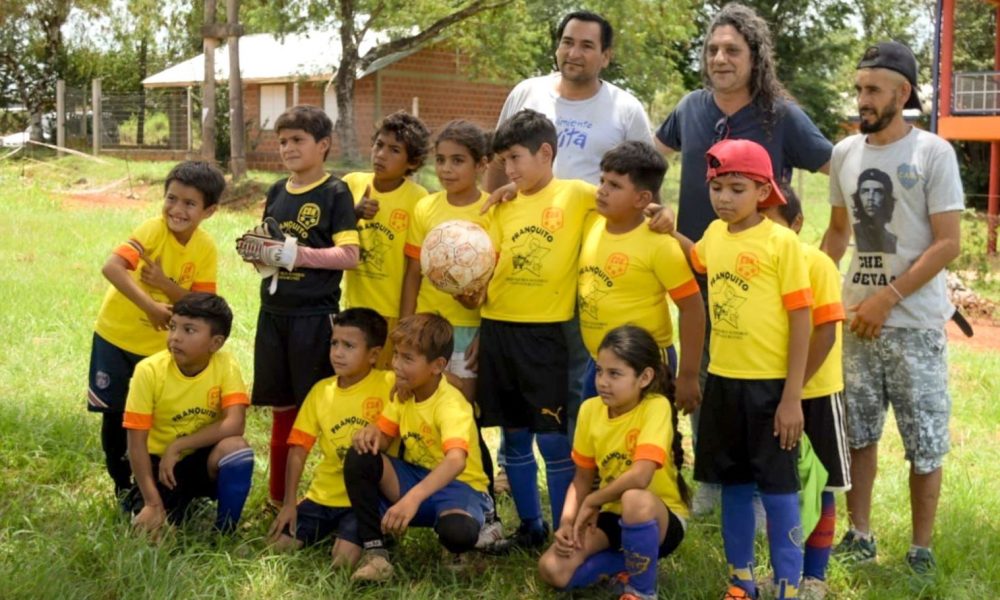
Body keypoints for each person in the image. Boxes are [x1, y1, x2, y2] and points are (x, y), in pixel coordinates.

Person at [653, 1, 832, 516]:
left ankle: (760, 485)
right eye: (711, 49)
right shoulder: (690, 108)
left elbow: (835, 166)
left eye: (732, 49)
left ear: (755, 56)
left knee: (757, 383)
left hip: (763, 278)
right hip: (697, 267)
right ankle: (712, 480)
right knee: (704, 377)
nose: (719, 58)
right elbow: (652, 157)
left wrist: (833, 242)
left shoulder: (783, 116)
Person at [820, 41, 963, 575]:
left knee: (924, 442)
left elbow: (949, 243)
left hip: (914, 324)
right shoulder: (844, 154)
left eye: (873, 89)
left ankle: (920, 550)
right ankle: (860, 535)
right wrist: (813, 293)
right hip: (857, 322)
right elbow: (837, 233)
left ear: (902, 93)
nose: (862, 99)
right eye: (859, 88)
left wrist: (888, 297)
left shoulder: (932, 153)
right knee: (858, 433)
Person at [674, 139, 813, 600]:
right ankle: (742, 582)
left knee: (777, 490)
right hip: (724, 384)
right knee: (733, 483)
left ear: (763, 191)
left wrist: (792, 396)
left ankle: (787, 585)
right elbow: (699, 258)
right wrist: (665, 229)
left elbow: (801, 319)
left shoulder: (782, 243)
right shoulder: (715, 235)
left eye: (737, 188)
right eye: (717, 187)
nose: (724, 198)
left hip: (770, 390)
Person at [471, 109, 598, 550]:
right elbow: (483, 265)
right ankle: (531, 525)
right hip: (498, 329)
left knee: (553, 437)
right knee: (514, 434)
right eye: (503, 161)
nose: (508, 170)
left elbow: (625, 203)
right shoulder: (501, 204)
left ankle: (566, 526)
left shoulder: (578, 195)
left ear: (546, 153)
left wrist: (659, 214)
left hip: (545, 336)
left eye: (515, 158)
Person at [237, 105, 360, 509]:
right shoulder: (276, 190)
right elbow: (271, 249)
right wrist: (260, 254)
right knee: (282, 408)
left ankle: (330, 500)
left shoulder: (334, 192)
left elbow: (349, 255)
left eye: (298, 140)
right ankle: (278, 499)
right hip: (273, 315)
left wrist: (296, 255)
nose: (288, 148)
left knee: (320, 409)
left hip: (313, 317)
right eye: (283, 141)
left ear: (323, 145)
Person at [87, 160, 225, 506]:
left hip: (160, 350)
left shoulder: (205, 248)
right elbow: (111, 267)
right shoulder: (152, 230)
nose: (176, 210)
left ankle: (155, 484)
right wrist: (150, 304)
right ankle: (121, 485)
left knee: (152, 417)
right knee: (116, 415)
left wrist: (166, 285)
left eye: (189, 203)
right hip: (115, 338)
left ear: (209, 211)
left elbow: (203, 303)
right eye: (171, 198)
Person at [537, 325, 690, 600]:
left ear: (644, 377)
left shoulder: (656, 406)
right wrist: (567, 523)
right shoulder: (590, 410)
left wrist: (593, 500)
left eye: (615, 374)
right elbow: (581, 479)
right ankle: (630, 567)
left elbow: (641, 476)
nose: (603, 382)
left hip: (659, 518)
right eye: (599, 371)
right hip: (611, 515)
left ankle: (641, 591)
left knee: (634, 499)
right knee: (552, 569)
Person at [343, 313, 494, 582]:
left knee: (457, 532)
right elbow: (385, 438)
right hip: (414, 477)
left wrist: (411, 500)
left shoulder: (451, 404)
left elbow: (456, 461)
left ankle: (466, 546)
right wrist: (370, 433)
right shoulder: (405, 394)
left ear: (437, 365)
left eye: (407, 359)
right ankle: (376, 553)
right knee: (360, 455)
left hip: (460, 487)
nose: (396, 365)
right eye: (397, 355)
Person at [763, 185, 851, 599]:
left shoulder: (818, 264)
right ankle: (784, 572)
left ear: (796, 224)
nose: (765, 228)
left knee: (823, 484)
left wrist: (792, 391)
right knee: (782, 484)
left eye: (773, 219)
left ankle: (815, 576)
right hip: (774, 391)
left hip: (814, 393)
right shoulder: (759, 261)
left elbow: (827, 335)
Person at [578, 140, 705, 415]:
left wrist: (688, 374)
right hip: (597, 363)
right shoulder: (592, 223)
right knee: (600, 443)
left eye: (614, 186)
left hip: (645, 367)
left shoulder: (660, 244)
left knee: (646, 446)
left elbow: (692, 308)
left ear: (642, 199)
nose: (602, 191)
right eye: (602, 181)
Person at [267, 308, 391, 567]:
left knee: (342, 561)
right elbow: (298, 451)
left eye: (348, 345)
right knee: (277, 547)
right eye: (334, 343)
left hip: (364, 500)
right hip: (322, 496)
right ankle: (327, 528)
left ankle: (373, 534)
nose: (337, 352)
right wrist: (290, 503)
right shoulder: (321, 391)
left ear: (374, 354)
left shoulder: (389, 384)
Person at [123, 293, 253, 536]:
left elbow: (235, 423)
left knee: (237, 449)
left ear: (215, 343)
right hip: (159, 464)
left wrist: (179, 445)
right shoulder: (148, 371)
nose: (175, 337)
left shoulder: (225, 364)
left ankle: (224, 532)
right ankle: (147, 501)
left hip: (202, 458)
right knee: (153, 540)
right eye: (173, 327)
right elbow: (136, 442)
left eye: (189, 330)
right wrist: (152, 503)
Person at [485, 10, 653, 189]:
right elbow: (498, 160)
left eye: (586, 46)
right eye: (567, 42)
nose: (573, 54)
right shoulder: (526, 92)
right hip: (525, 215)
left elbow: (646, 178)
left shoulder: (627, 109)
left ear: (605, 57)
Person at [400, 119, 493, 402]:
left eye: (457, 160)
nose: (446, 169)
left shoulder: (493, 210)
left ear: (481, 165)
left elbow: (499, 281)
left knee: (462, 405)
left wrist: (485, 331)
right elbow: (413, 273)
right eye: (440, 160)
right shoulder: (426, 207)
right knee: (421, 403)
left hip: (469, 328)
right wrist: (405, 327)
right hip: (426, 326)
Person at [342, 110, 430, 367]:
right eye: (379, 145)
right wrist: (354, 214)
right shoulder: (350, 184)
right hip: (353, 307)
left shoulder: (418, 199)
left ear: (412, 162)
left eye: (394, 150)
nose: (381, 154)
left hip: (392, 314)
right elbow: (329, 235)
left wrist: (406, 320)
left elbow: (415, 267)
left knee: (385, 382)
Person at [850, 168, 898, 253]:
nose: (870, 198)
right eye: (865, 191)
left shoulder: (892, 241)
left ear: (887, 198)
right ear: (858, 196)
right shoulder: (855, 233)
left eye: (877, 192)